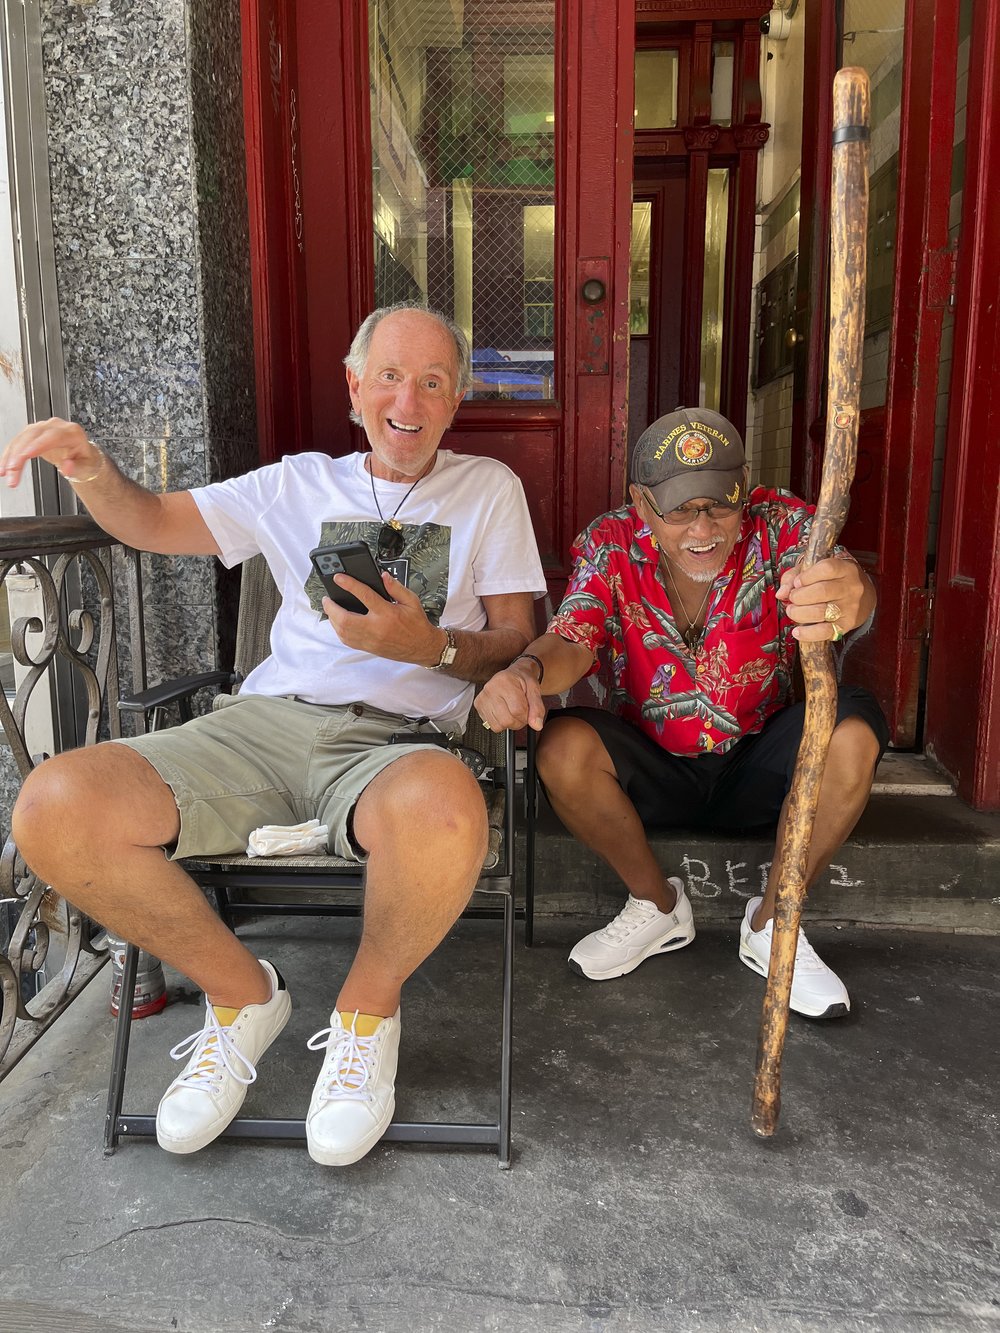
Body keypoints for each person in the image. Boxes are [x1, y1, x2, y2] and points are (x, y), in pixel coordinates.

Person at [1, 302, 546, 1164]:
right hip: (258, 725)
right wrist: (91, 469)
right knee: (53, 805)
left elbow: (519, 639)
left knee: (445, 813)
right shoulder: (293, 484)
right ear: (354, 385)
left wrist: (429, 645)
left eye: (434, 382)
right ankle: (242, 994)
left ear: (455, 403)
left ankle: (365, 1018)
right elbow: (150, 522)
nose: (410, 398)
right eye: (392, 376)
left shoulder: (488, 491)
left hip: (395, 743)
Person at [476, 407, 888, 1018]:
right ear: (641, 502)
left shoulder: (784, 527)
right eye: (678, 510)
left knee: (851, 734)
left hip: (760, 762)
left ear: (743, 489)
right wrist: (527, 673)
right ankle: (657, 907)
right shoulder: (609, 544)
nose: (703, 527)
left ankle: (774, 926)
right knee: (561, 745)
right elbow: (573, 637)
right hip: (655, 769)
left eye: (719, 504)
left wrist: (852, 593)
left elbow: (848, 586)